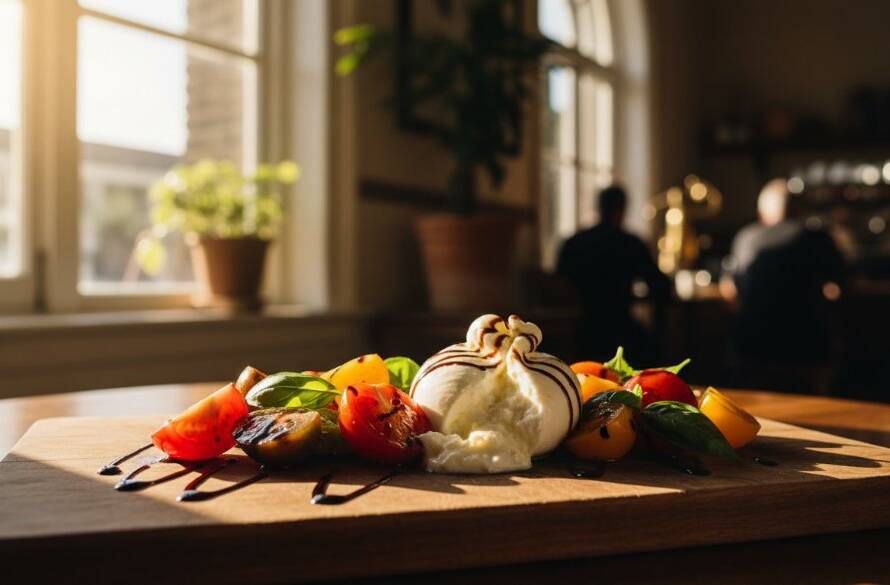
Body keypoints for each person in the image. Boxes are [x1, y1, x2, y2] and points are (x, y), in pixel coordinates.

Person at [722, 179, 846, 390]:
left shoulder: (746, 237)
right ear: (799, 209)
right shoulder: (816, 237)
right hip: (806, 344)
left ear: (763, 210)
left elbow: (729, 290)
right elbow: (841, 285)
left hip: (751, 345)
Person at [556, 185, 670, 361]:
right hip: (621, 330)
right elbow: (660, 284)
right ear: (623, 209)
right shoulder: (630, 243)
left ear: (598, 207)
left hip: (581, 330)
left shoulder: (575, 242)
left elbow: (561, 284)